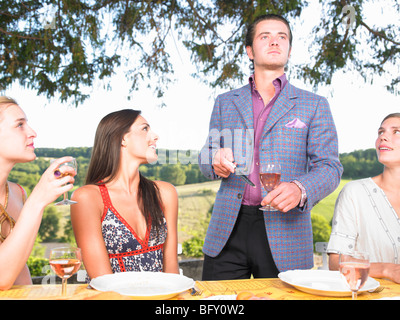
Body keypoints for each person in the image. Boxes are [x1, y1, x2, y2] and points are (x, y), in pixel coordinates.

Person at [198, 14, 343, 280]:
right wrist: (214, 158)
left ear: (289, 49)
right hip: (227, 230)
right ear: (250, 51)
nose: (275, 42)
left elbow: (330, 167)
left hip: (286, 232)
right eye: (265, 36)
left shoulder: (314, 105)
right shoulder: (225, 102)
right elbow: (206, 156)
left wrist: (300, 189)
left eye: (282, 37)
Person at [70, 109, 179, 280]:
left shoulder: (165, 193)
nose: (155, 136)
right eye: (145, 129)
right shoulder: (88, 198)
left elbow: (172, 269)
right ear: (122, 139)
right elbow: (102, 280)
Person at [0, 96, 76, 290]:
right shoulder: (31, 200)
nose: (32, 132)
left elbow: (19, 267)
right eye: (19, 125)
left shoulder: (17, 193)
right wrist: (38, 200)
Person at [327, 113, 400, 283]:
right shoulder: (354, 193)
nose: (383, 137)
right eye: (380, 132)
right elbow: (336, 263)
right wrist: (387, 269)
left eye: (396, 132)